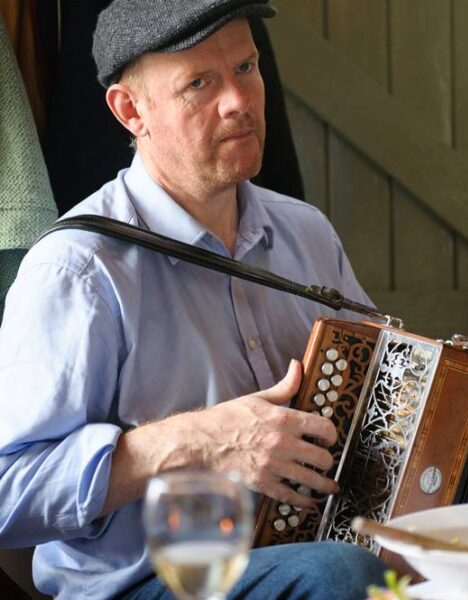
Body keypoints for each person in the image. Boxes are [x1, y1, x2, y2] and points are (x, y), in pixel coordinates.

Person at [0, 0, 388, 598]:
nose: (238, 100)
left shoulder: (307, 232)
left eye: (246, 68)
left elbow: (387, 391)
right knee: (342, 576)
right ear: (132, 111)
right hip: (151, 584)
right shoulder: (77, 269)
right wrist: (198, 442)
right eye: (200, 83)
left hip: (298, 555)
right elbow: (8, 492)